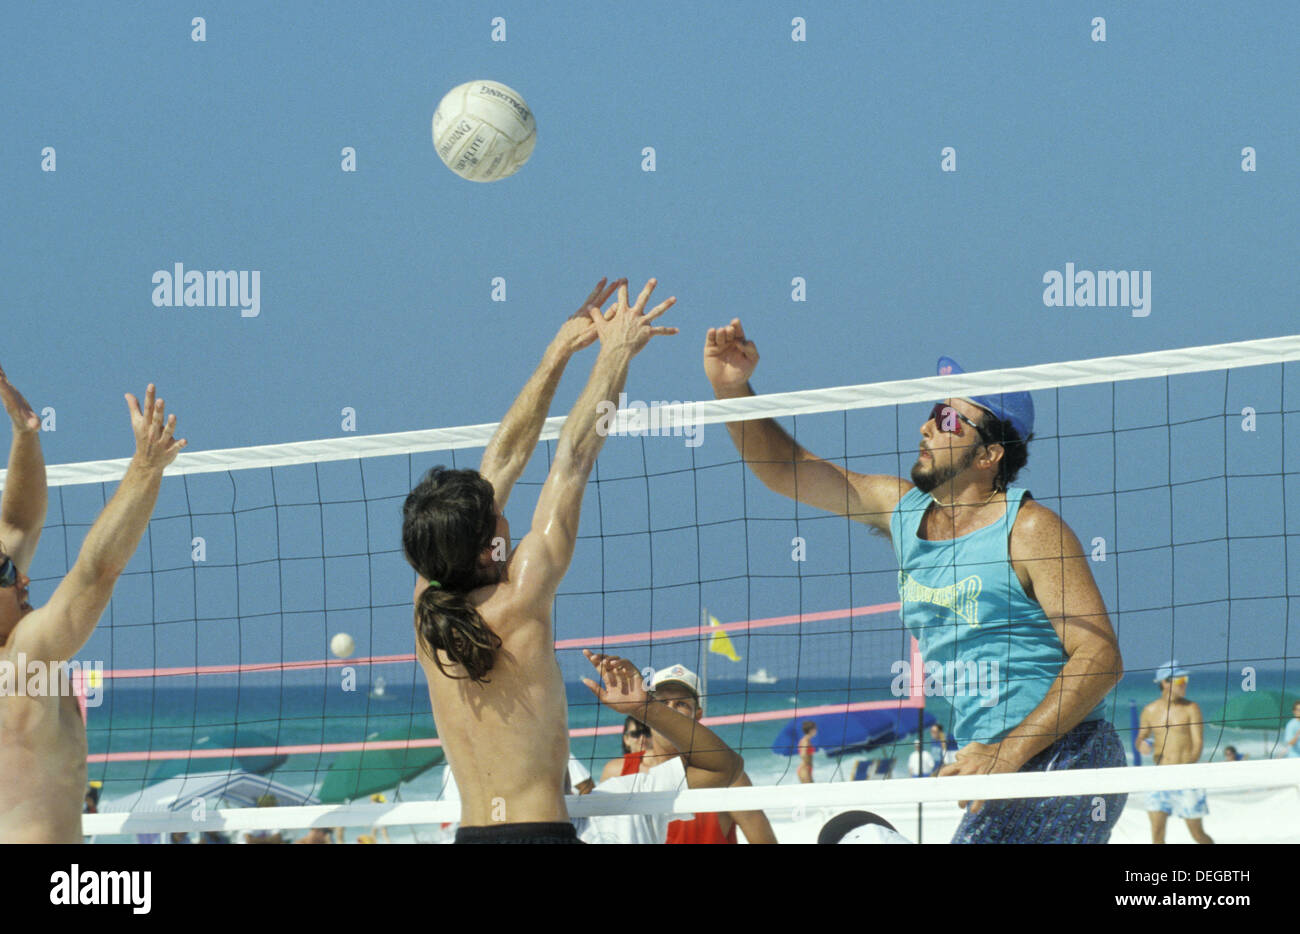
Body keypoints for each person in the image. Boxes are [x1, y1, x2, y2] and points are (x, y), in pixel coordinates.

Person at [704, 322, 1127, 844]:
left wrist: (1009, 752)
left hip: (1069, 752)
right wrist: (731, 388)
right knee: (844, 830)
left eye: (947, 419)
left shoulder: (1030, 529)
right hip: (993, 757)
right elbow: (787, 469)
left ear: (989, 454)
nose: (926, 427)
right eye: (932, 412)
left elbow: (1100, 656)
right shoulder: (903, 510)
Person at [403, 279, 676, 844]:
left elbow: (501, 459)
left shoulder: (426, 606)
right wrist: (617, 352)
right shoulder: (522, 594)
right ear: (487, 548)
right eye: (496, 518)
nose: (504, 514)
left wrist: (557, 354)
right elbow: (573, 457)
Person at [0, 379, 186, 844]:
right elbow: (98, 572)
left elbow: (18, 523)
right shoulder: (23, 663)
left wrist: (25, 434)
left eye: (9, 568)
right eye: (6, 575)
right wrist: (145, 467)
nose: (21, 577)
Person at [578, 653, 748, 844]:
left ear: (698, 714)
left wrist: (646, 708)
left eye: (681, 703)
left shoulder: (731, 778)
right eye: (663, 703)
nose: (671, 709)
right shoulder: (619, 774)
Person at [1137, 661, 1213, 845]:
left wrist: (1186, 769)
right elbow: (1141, 738)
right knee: (1157, 834)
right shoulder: (1150, 710)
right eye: (1180, 680)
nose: (1185, 684)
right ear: (1165, 682)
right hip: (1160, 776)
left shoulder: (1191, 708)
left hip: (1186, 776)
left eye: (1185, 679)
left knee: (1197, 833)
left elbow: (1198, 743)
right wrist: (1142, 745)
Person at [599, 715, 652, 781]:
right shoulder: (613, 769)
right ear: (626, 739)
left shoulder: (662, 763)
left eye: (647, 732)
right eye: (636, 734)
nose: (642, 738)